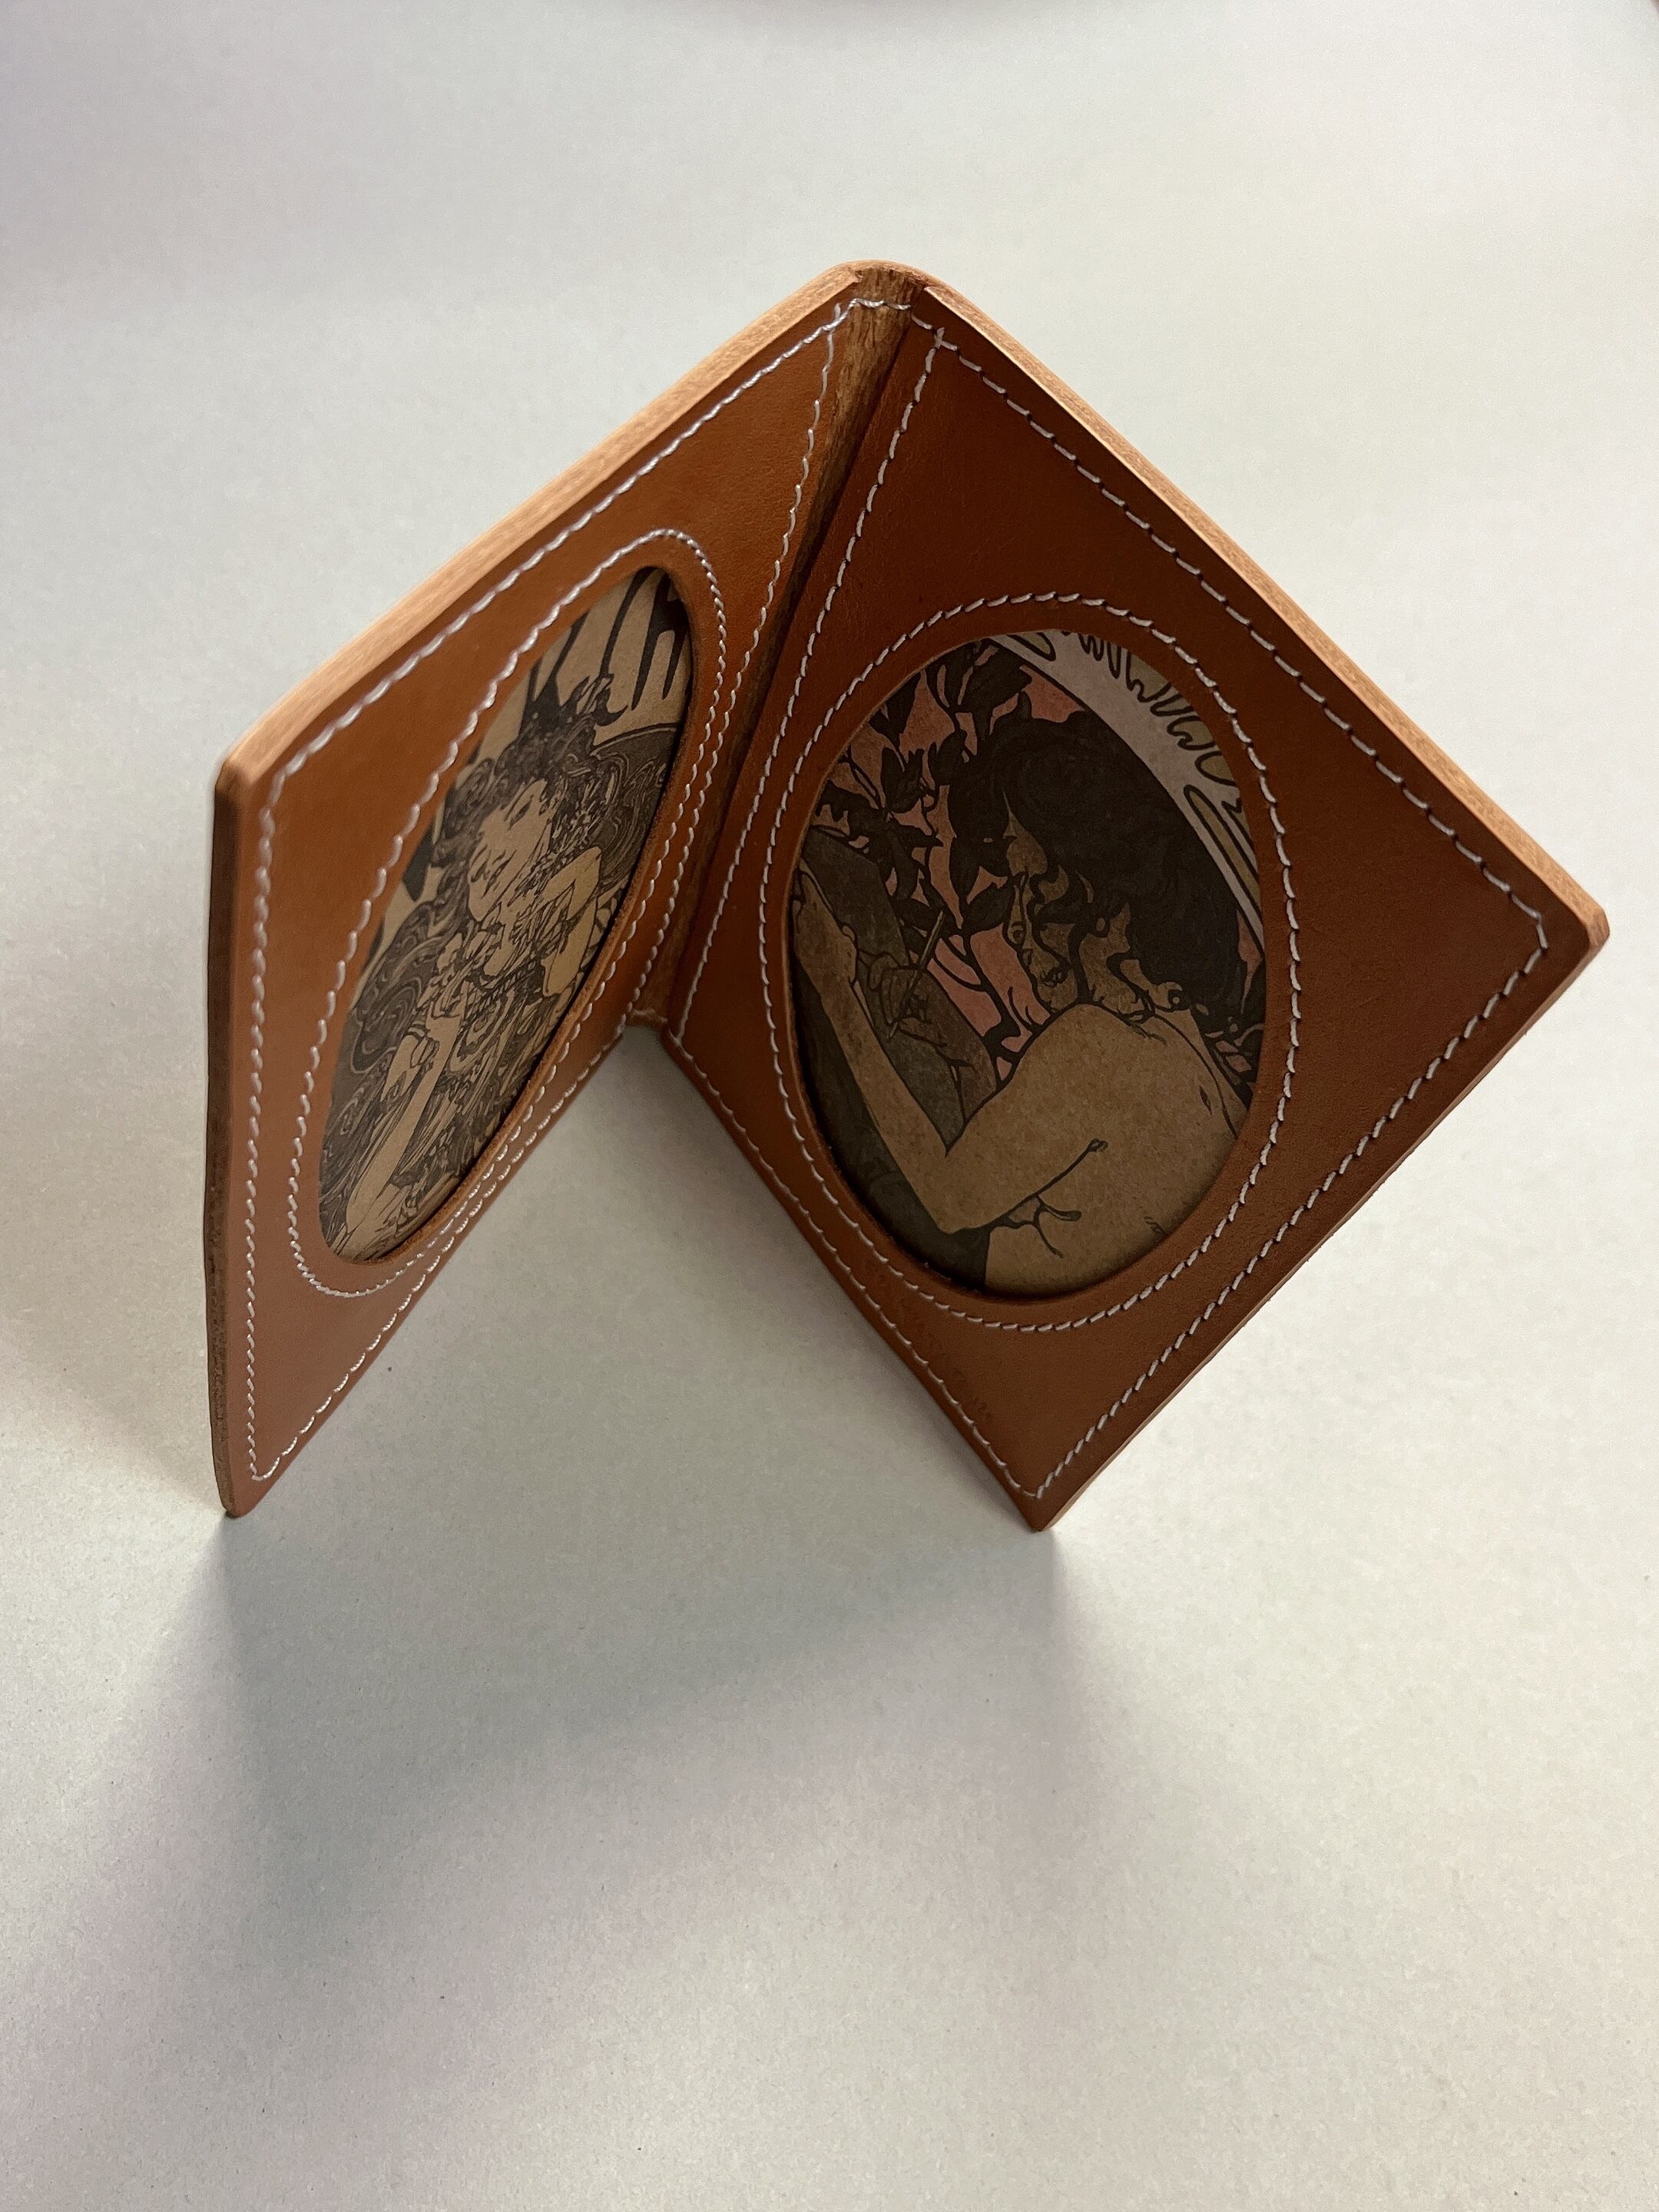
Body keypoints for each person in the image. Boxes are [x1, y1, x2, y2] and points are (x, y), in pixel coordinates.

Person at [793, 698, 1261, 1296]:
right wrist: (967, 1055)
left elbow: (951, 1202)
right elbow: (1028, 1185)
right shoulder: (1189, 1064)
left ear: (1093, 892)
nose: (1014, 927)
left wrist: (835, 982)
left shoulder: (1100, 1042)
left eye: (1027, 883)